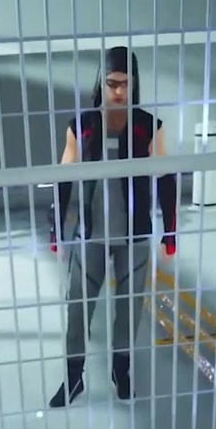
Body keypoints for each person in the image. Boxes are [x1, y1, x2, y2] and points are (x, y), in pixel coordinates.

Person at [48, 45, 177, 408]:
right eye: (112, 83)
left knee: (129, 312)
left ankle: (122, 372)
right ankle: (73, 378)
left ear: (135, 84)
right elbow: (63, 179)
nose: (119, 91)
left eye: (125, 83)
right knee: (78, 310)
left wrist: (170, 231)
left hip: (134, 236)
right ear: (101, 83)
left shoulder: (148, 126)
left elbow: (166, 178)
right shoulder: (82, 126)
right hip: (90, 235)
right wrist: (56, 229)